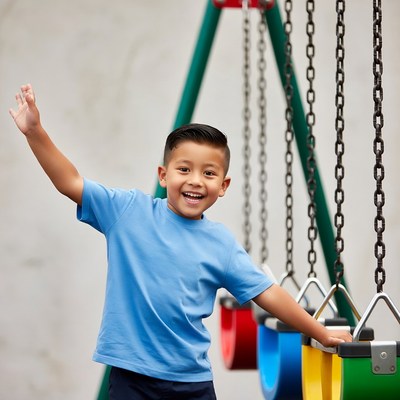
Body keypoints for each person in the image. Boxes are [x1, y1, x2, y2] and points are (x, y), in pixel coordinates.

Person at [9, 84, 352, 400]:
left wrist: (319, 332)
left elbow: (268, 292)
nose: (195, 181)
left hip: (192, 382)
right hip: (132, 378)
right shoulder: (128, 212)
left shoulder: (220, 243)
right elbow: (70, 181)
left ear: (224, 185)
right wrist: (35, 132)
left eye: (209, 173)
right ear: (163, 175)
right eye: (184, 169)